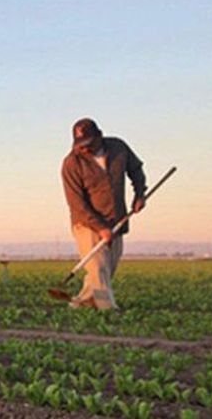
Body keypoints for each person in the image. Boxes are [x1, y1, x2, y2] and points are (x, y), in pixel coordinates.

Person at [61, 118, 146, 310]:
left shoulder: (118, 148)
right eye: (80, 145)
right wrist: (100, 228)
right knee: (98, 267)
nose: (84, 149)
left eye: (88, 144)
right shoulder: (71, 163)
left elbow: (136, 169)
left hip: (116, 219)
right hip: (87, 223)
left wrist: (140, 194)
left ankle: (82, 302)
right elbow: (76, 204)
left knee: (106, 270)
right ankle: (108, 309)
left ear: (99, 136)